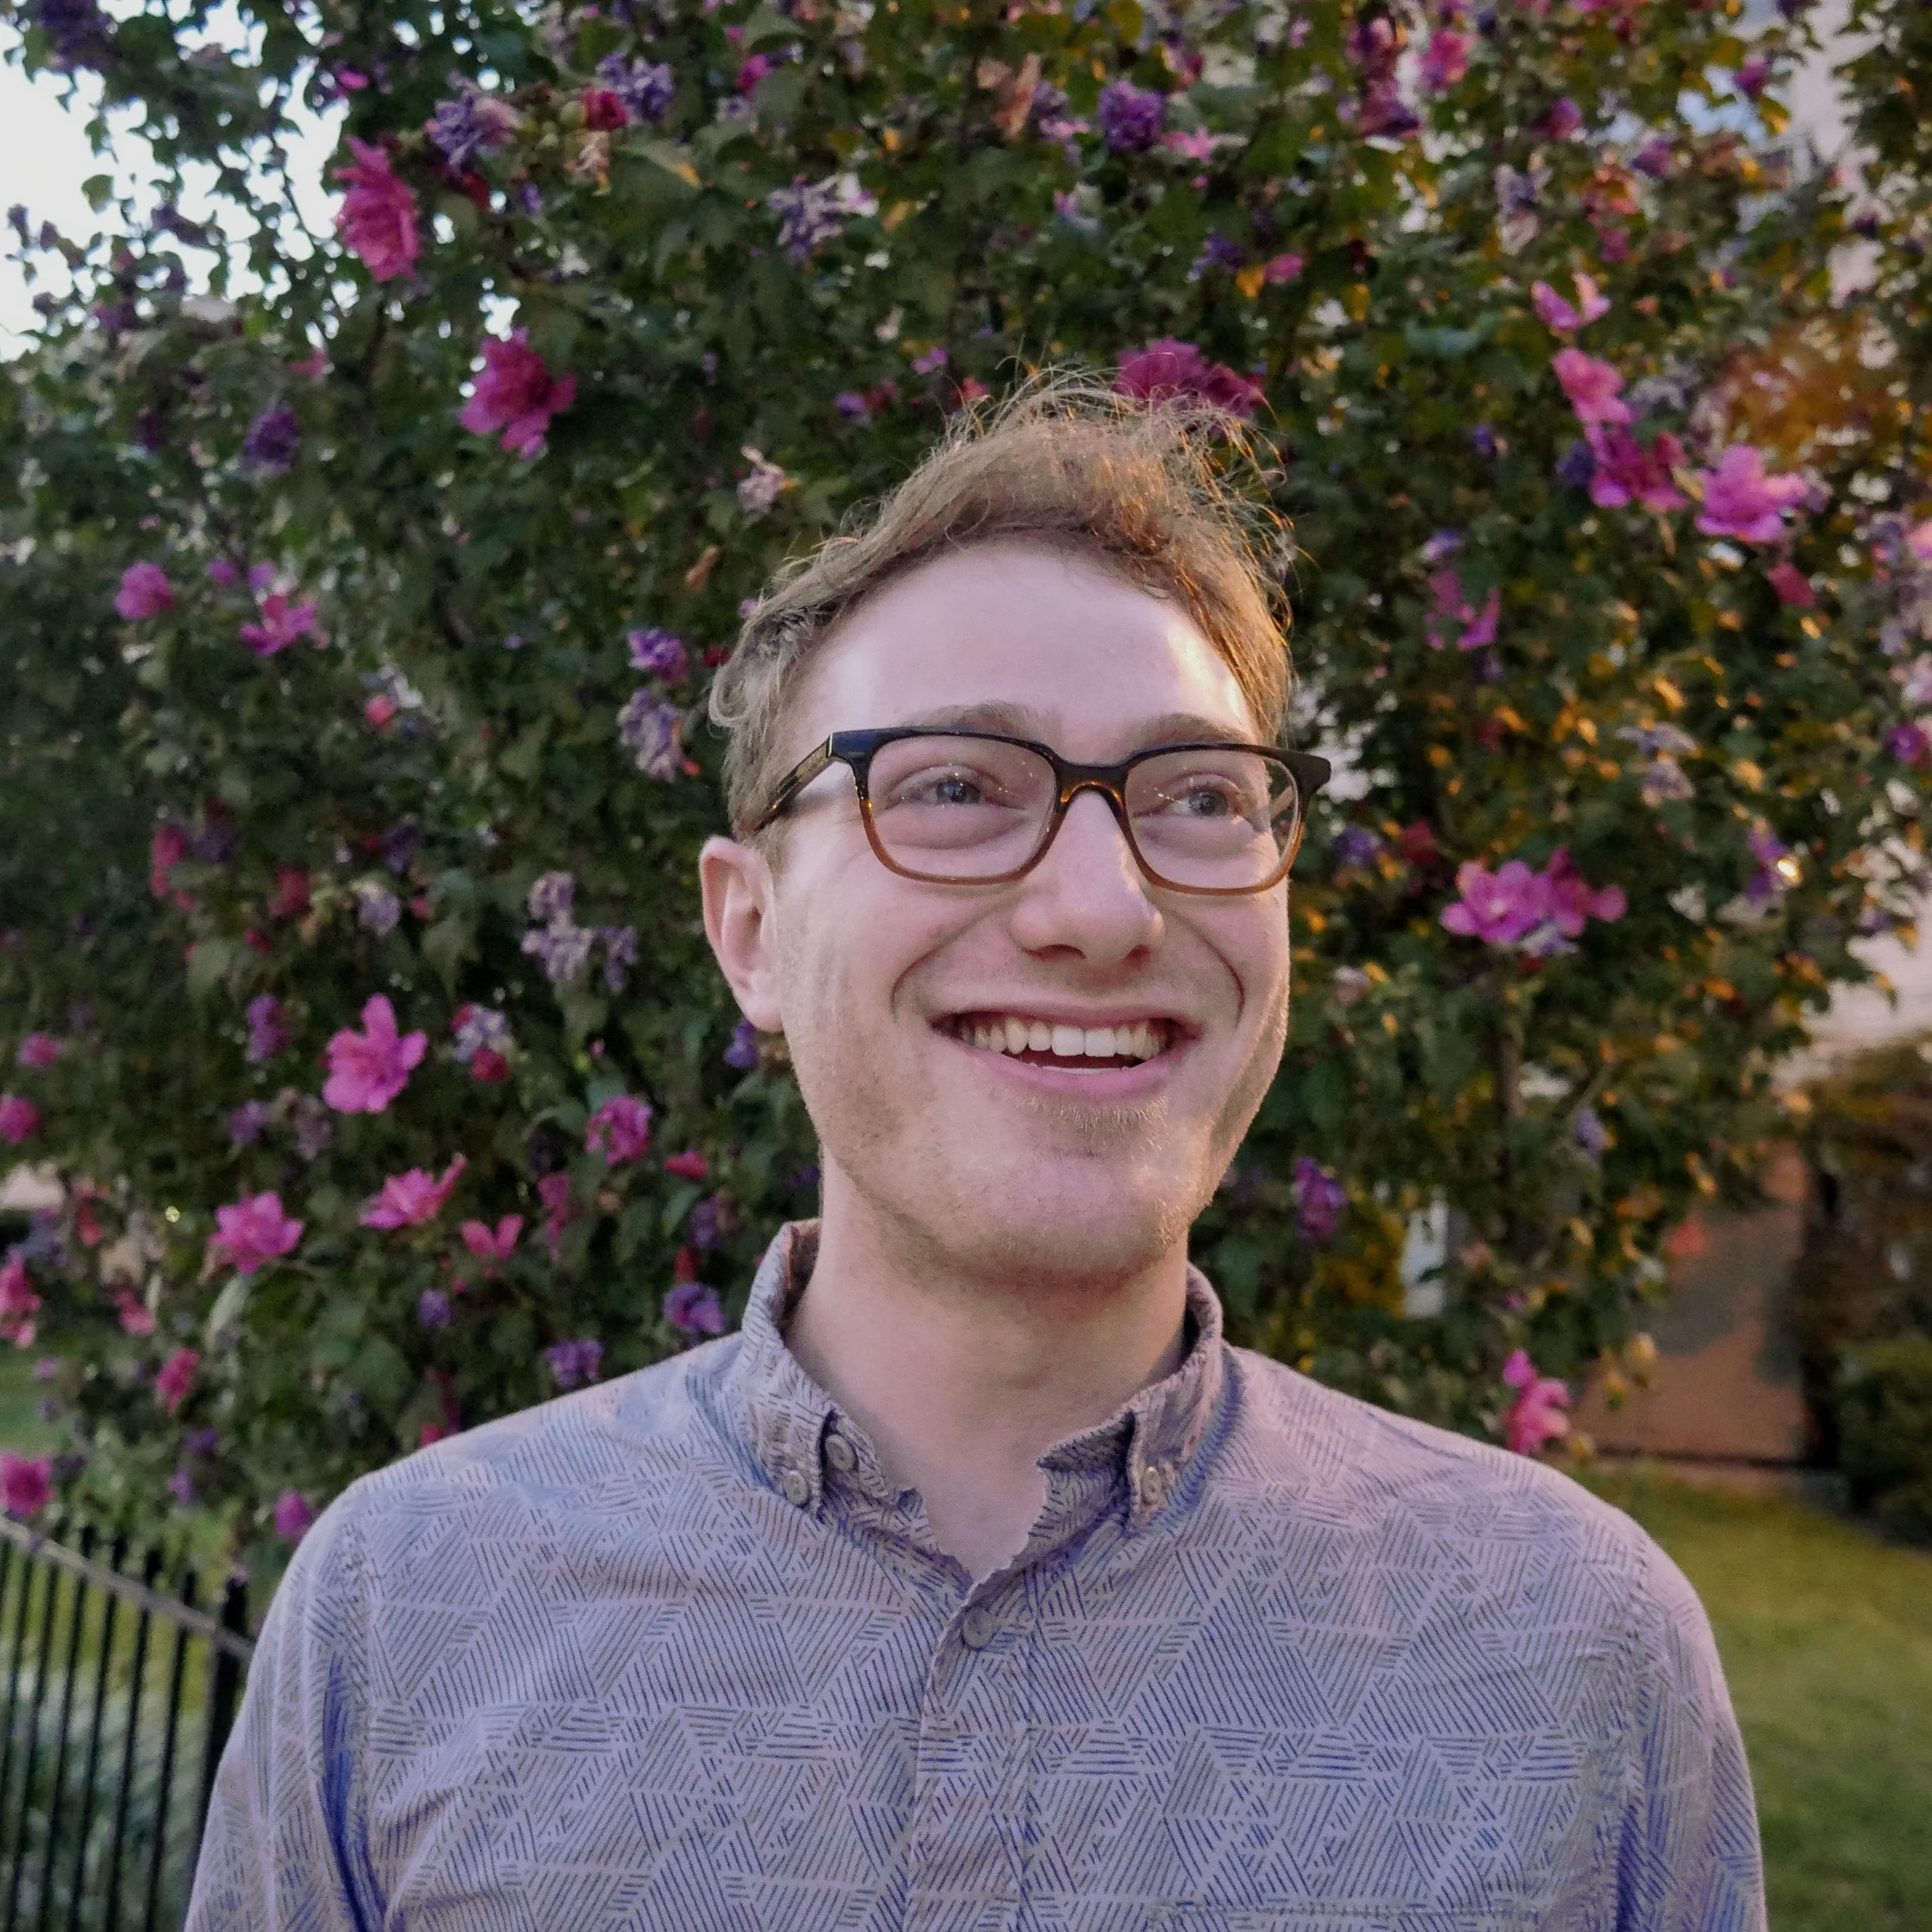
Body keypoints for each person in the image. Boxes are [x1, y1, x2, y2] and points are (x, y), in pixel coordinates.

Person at [188, 383, 1765, 1930]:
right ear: (748, 929)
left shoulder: (1571, 1659)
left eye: (1199, 796)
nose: (1101, 905)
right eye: (951, 784)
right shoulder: (408, 1620)